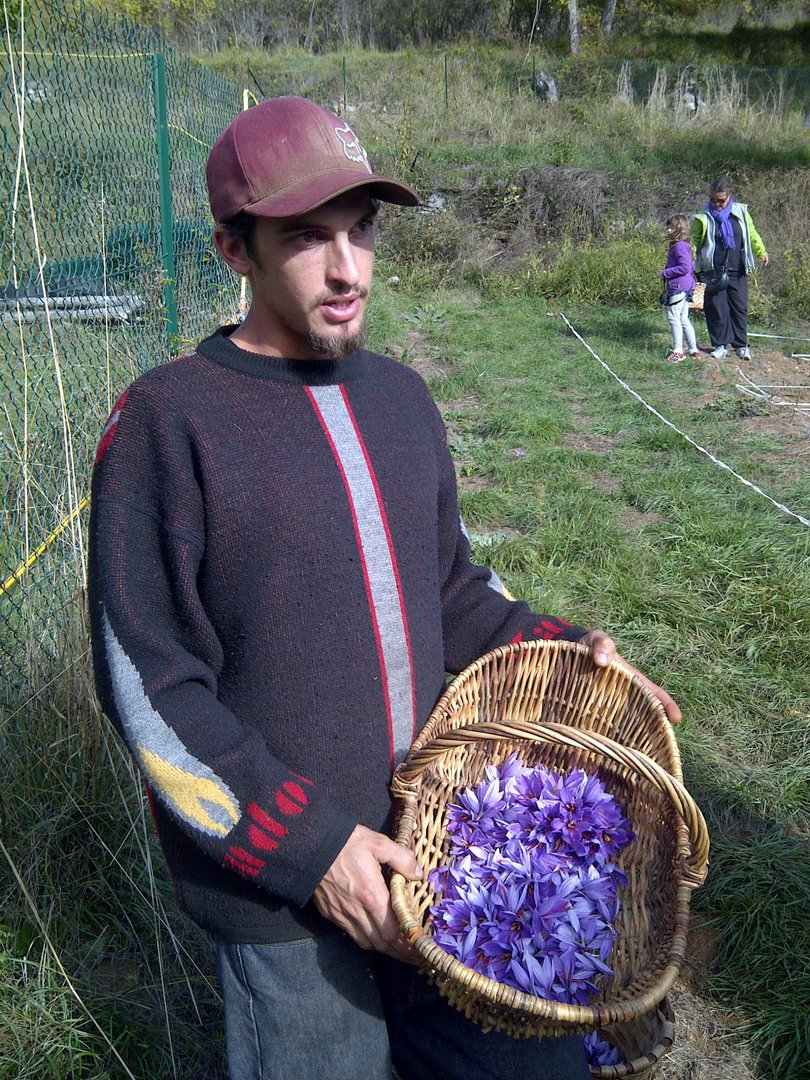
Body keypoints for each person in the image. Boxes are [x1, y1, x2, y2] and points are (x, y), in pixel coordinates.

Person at [88, 96, 681, 1080]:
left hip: (444, 865)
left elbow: (447, 586)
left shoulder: (400, 398)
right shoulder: (170, 421)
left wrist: (559, 646)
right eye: (308, 239)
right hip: (287, 900)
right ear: (235, 250)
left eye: (361, 232)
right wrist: (314, 849)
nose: (348, 269)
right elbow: (149, 687)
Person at [691, 176, 769, 361]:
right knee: (716, 308)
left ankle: (741, 345)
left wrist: (761, 251)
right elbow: (694, 239)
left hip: (737, 267)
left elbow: (751, 233)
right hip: (712, 269)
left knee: (739, 307)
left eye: (721, 200)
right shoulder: (702, 214)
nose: (717, 204)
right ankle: (719, 345)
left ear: (729, 196)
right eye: (713, 200)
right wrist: (689, 256)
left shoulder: (740, 211)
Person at [659, 214, 699, 364]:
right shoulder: (685, 245)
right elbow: (691, 266)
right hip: (686, 286)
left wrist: (665, 273)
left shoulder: (680, 246)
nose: (668, 230)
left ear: (679, 229)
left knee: (673, 317)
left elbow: (685, 267)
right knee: (683, 318)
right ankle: (693, 349)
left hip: (679, 287)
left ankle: (678, 351)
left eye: (671, 227)